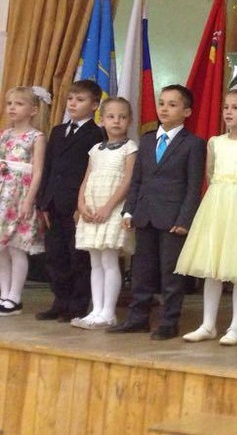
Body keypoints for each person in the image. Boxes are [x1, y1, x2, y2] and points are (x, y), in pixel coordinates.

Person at [109, 85, 206, 340]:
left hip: (172, 218)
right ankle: (137, 318)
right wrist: (129, 211)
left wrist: (185, 219)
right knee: (141, 271)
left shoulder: (193, 144)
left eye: (172, 104)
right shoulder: (147, 140)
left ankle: (169, 322)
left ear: (187, 111)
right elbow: (137, 180)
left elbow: (194, 186)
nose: (164, 109)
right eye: (161, 103)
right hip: (145, 215)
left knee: (171, 273)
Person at [177, 88, 237, 346]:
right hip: (217, 204)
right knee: (212, 264)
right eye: (226, 107)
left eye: (236, 107)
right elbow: (210, 174)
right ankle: (208, 324)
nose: (229, 112)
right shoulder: (215, 142)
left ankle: (236, 326)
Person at [35, 80, 104, 322]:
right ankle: (60, 301)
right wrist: (43, 203)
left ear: (95, 105)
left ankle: (77, 305)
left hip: (77, 205)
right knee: (56, 256)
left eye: (80, 100)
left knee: (78, 257)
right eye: (70, 99)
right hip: (54, 202)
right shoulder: (57, 131)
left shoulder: (96, 134)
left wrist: (81, 203)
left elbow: (93, 172)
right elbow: (48, 168)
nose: (73, 104)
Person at [72, 97, 138, 329]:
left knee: (109, 260)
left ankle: (109, 312)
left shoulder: (130, 148)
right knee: (95, 262)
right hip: (92, 208)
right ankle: (96, 310)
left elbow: (128, 181)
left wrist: (109, 207)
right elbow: (86, 179)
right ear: (102, 120)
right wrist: (81, 204)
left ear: (129, 120)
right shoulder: (95, 149)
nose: (116, 121)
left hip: (113, 208)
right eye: (111, 116)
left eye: (122, 117)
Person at [0, 86, 49, 316]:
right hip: (3, 195)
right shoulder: (4, 135)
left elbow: (37, 171)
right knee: (2, 248)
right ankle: (4, 293)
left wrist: (29, 200)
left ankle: (15, 296)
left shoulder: (36, 137)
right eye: (10, 103)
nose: (12, 108)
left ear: (33, 110)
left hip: (21, 195)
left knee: (17, 247)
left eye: (19, 104)